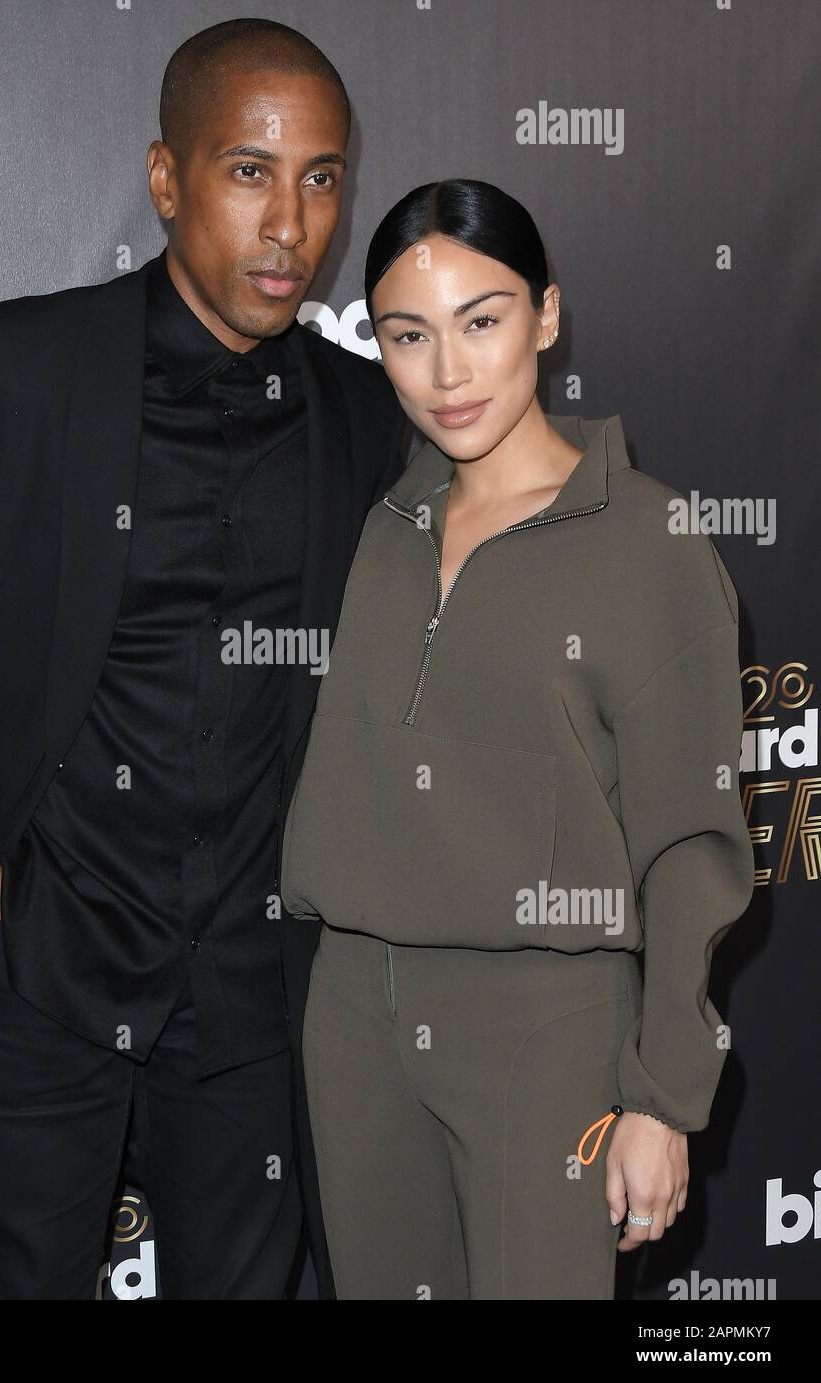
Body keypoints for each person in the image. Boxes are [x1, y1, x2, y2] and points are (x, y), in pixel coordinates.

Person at [0, 18, 409, 1299]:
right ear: (166, 179)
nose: (289, 224)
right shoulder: (8, 372)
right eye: (248, 172)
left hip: (252, 982)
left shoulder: (362, 416)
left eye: (321, 176)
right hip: (39, 964)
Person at [277, 178, 756, 1299]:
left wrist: (660, 1098)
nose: (446, 374)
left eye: (480, 322)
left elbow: (691, 844)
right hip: (351, 1010)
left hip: (547, 1028)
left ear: (546, 315)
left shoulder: (650, 539)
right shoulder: (377, 523)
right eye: (406, 335)